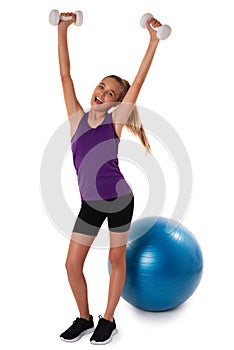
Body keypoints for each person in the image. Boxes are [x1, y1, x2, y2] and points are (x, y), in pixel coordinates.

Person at [57, 12, 161, 345]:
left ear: (118, 102)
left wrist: (153, 40)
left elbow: (139, 82)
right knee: (72, 264)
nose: (103, 92)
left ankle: (108, 319)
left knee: (115, 258)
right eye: (102, 86)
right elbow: (64, 73)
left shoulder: (114, 124)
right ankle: (83, 317)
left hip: (119, 201)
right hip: (90, 204)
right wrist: (62, 29)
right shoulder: (76, 118)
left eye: (112, 92)